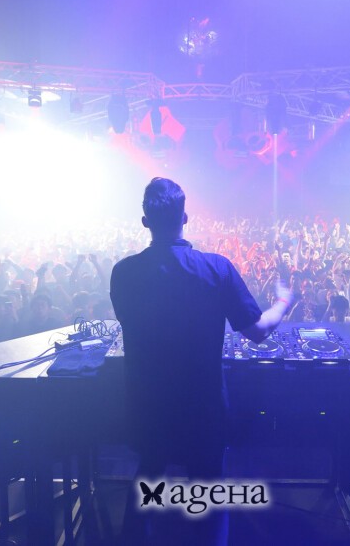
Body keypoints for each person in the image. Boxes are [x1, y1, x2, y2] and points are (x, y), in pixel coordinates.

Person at [109, 178, 290, 545]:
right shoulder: (216, 269)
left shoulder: (124, 273)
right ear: (185, 217)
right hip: (202, 406)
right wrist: (283, 302)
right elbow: (257, 331)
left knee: (148, 478)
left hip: (149, 404)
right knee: (207, 491)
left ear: (145, 221)